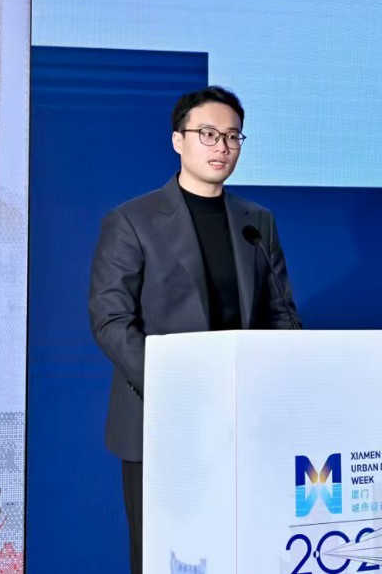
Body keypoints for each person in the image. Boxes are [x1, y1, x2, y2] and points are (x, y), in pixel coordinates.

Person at [89, 85, 302, 574]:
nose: (221, 146)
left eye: (232, 136)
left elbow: (281, 312)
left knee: (239, 551)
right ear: (178, 140)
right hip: (162, 418)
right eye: (208, 133)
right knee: (167, 555)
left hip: (242, 419)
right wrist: (177, 388)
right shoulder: (132, 220)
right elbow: (110, 318)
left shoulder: (258, 222)